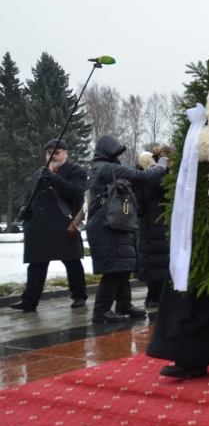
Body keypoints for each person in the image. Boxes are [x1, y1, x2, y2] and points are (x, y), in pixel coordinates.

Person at [86, 135, 167, 322]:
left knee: (122, 267)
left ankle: (124, 304)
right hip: (106, 225)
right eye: (116, 152)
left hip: (114, 224)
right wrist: (162, 166)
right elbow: (141, 176)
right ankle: (101, 311)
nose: (118, 156)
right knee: (113, 269)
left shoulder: (105, 167)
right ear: (107, 151)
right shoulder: (106, 168)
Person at [10, 139, 88, 312]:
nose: (52, 155)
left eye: (56, 152)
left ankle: (79, 296)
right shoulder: (39, 173)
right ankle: (30, 301)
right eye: (48, 152)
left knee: (72, 263)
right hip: (38, 225)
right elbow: (29, 194)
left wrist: (54, 179)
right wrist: (23, 208)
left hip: (63, 225)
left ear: (66, 153)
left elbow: (76, 192)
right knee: (36, 265)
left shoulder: (76, 171)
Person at [135, 147, 174, 308]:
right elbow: (164, 185)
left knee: (152, 263)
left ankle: (152, 296)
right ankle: (156, 298)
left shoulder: (147, 175)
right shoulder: (160, 176)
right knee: (159, 263)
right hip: (159, 226)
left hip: (149, 227)